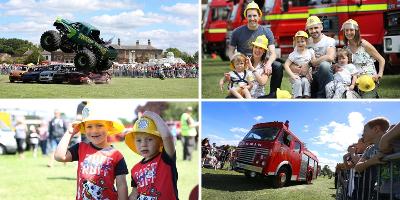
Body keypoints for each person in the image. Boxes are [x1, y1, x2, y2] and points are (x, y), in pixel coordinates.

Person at [54, 105, 128, 200]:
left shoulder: (116, 155)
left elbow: (121, 185)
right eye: (89, 126)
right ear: (84, 129)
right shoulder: (80, 148)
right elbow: (59, 157)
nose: (94, 130)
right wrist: (69, 133)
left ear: (109, 126)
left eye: (99, 125)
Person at [227, 1, 283, 96]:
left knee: (277, 66)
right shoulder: (237, 32)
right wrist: (235, 63)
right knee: (233, 95)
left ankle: (274, 94)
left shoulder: (267, 32)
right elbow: (230, 51)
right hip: (244, 63)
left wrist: (268, 64)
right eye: (249, 16)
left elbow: (273, 53)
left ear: (259, 16)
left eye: (254, 16)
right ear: (246, 17)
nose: (252, 19)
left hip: (261, 62)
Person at [124, 111, 178, 200]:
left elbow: (167, 137)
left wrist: (152, 115)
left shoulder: (166, 158)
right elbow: (134, 194)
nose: (143, 144)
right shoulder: (135, 169)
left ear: (160, 141)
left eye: (149, 139)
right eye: (138, 140)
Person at [342, 19, 385, 98]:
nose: (348, 33)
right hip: (355, 81)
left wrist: (380, 74)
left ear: (356, 31)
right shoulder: (345, 49)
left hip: (368, 79)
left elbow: (381, 59)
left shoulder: (364, 44)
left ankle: (371, 95)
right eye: (346, 30)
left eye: (351, 30)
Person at [305, 16, 336, 98]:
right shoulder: (305, 42)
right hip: (310, 75)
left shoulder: (329, 40)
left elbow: (330, 57)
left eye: (316, 28)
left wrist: (314, 62)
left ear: (321, 27)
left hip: (324, 75)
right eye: (311, 29)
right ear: (308, 30)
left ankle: (325, 96)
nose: (313, 31)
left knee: (324, 65)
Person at [283, 31, 315, 98]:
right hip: (297, 75)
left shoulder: (310, 52)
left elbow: (314, 63)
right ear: (295, 42)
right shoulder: (293, 54)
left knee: (305, 81)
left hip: (306, 76)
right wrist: (292, 75)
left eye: (302, 41)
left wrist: (311, 74)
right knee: (298, 82)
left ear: (307, 42)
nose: (300, 43)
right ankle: (297, 97)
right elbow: (286, 65)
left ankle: (306, 97)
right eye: (298, 42)